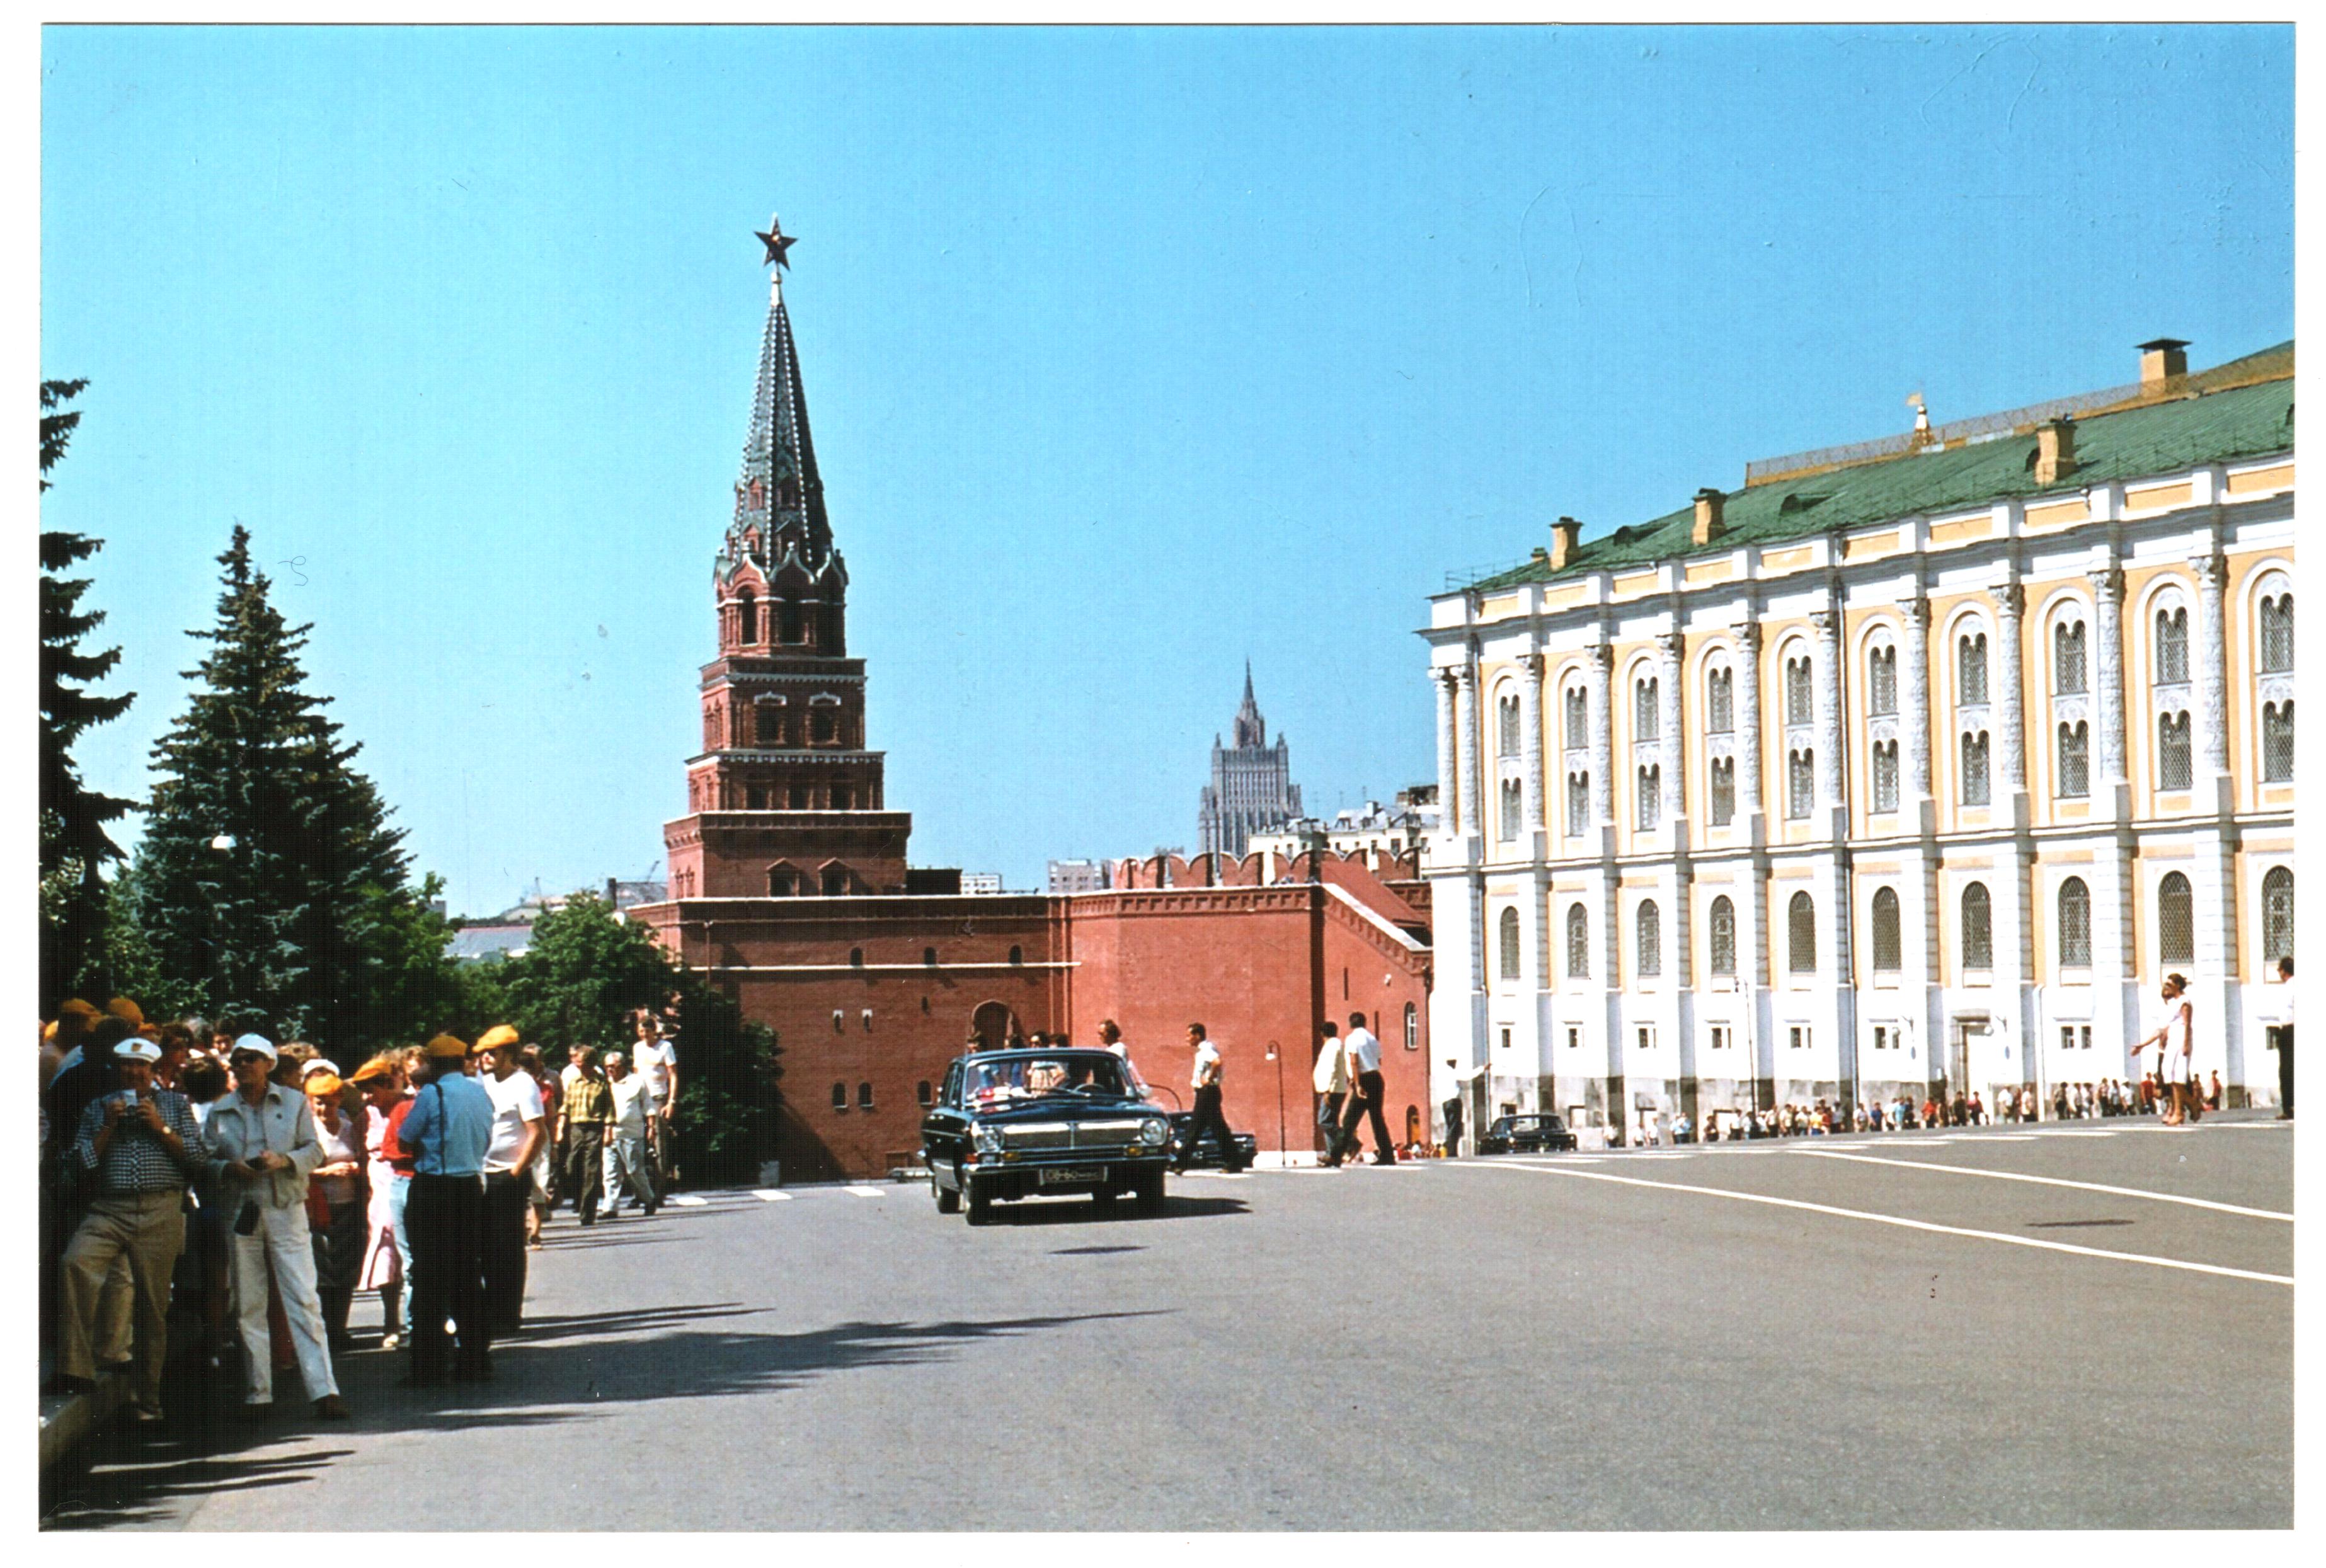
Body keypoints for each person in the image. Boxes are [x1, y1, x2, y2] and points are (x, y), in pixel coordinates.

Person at [50, 1035, 205, 1421]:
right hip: (110, 1207)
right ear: (117, 1069)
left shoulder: (175, 1105)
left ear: (153, 1071)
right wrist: (106, 1129)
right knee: (76, 1263)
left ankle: (148, 1400)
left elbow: (199, 1159)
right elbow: (76, 1167)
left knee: (153, 1307)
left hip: (160, 1209)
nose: (134, 1073)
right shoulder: (99, 1108)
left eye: (142, 1067)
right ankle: (77, 1369)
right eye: (126, 1066)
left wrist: (161, 1129)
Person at [202, 1034, 349, 1421]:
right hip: (242, 1210)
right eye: (238, 1059)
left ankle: (324, 1390)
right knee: (248, 1302)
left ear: (268, 1063)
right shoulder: (221, 1112)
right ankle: (258, 1393)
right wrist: (227, 1169)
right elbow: (205, 1162)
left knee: (303, 1296)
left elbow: (315, 1151)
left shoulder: (295, 1102)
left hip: (285, 1207)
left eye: (253, 1059)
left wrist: (284, 1161)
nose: (244, 1065)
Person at [398, 1034, 495, 1385]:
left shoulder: (432, 1094)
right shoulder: (479, 1092)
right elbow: (487, 1138)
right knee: (468, 1275)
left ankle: (428, 1365)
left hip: (434, 1188)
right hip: (470, 1186)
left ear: (437, 1065)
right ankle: (475, 1359)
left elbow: (405, 1138)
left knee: (429, 1278)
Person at [474, 1025, 545, 1336]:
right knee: (485, 1247)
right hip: (481, 1175)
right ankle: (490, 1310)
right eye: (483, 1053)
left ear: (509, 1054)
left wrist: (516, 1172)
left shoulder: (523, 1084)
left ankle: (508, 1314)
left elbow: (537, 1133)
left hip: (508, 1175)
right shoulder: (483, 1082)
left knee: (508, 1248)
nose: (486, 1058)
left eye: (493, 1052)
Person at [350, 1055, 413, 1350]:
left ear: (388, 1083)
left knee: (412, 1253)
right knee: (386, 1251)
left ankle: (423, 1318)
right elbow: (360, 1157)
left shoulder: (411, 1106)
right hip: (379, 1189)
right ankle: (392, 1322)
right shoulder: (366, 1116)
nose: (366, 1096)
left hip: (409, 1180)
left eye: (370, 1088)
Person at [306, 1071, 368, 1353]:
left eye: (329, 1103)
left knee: (346, 1270)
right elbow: (300, 1169)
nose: (323, 1109)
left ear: (339, 1100)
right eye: (318, 1102)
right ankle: (324, 1331)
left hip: (349, 1206)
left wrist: (356, 1171)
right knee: (322, 1270)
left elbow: (362, 1158)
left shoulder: (348, 1127)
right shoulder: (308, 1131)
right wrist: (326, 1172)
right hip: (320, 1209)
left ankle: (339, 1328)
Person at [1176, 1023, 1246, 1173]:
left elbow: (1217, 1062)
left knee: (1195, 1127)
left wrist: (1209, 1078)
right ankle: (1233, 1162)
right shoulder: (1203, 1050)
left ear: (1198, 1036)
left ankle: (1179, 1163)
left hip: (1207, 1092)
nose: (1187, 1039)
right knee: (1217, 1128)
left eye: (1189, 1035)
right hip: (1208, 1093)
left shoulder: (1207, 1049)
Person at [1331, 1011, 1396, 1166]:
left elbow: (1354, 1061)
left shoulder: (1352, 1038)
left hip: (1363, 1080)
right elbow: (1378, 1059)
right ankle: (1387, 1155)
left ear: (1351, 1024)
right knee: (1377, 1119)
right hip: (1376, 1077)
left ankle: (1335, 1156)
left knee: (1349, 1121)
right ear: (1365, 1023)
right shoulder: (1373, 1039)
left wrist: (1357, 1084)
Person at [603, 1050, 662, 1218]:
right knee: (610, 1172)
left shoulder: (636, 1082)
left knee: (634, 1170)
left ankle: (649, 1199)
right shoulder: (604, 1083)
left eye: (613, 1066)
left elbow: (648, 1105)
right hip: (610, 1133)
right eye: (607, 1067)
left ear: (622, 1066)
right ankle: (610, 1208)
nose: (610, 1070)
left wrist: (651, 1128)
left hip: (632, 1133)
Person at [2136, 975, 2199, 1128]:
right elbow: (2162, 1029)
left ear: (2178, 985)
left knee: (2179, 1077)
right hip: (2172, 1041)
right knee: (2168, 1075)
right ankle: (2192, 1105)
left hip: (2181, 1040)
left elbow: (2187, 1024)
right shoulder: (2173, 1003)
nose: (2167, 986)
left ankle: (2178, 1112)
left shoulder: (2185, 1002)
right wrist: (2143, 1045)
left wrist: (2186, 1044)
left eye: (2171, 984)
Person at [560, 1047, 612, 1225]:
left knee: (591, 1170)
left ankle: (587, 1213)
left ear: (591, 1064)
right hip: (576, 1128)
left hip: (594, 1128)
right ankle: (576, 1198)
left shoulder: (601, 1083)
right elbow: (566, 1107)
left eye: (582, 1064)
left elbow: (609, 1109)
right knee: (571, 1166)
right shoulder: (574, 1082)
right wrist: (560, 1127)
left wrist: (609, 1131)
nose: (579, 1067)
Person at [631, 1014, 679, 1178]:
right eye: (641, 1031)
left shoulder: (665, 1047)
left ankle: (659, 1190)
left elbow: (673, 1075)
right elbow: (636, 1073)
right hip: (641, 1099)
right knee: (639, 1141)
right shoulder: (637, 1048)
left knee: (658, 1143)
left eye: (647, 1031)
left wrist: (671, 1102)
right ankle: (642, 1190)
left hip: (658, 1098)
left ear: (654, 1031)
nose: (644, 1035)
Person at [1312, 1022, 1349, 1164]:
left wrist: (1327, 1090)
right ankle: (1332, 1155)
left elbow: (1331, 1068)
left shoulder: (1333, 1046)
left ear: (1322, 1033)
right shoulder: (1335, 1045)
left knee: (1324, 1121)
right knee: (1331, 1122)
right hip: (1334, 1089)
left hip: (1332, 1090)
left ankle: (1350, 1142)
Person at [2271, 955, 2294, 1118]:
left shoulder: (2291, 986)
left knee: (2286, 1070)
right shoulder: (2289, 986)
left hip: (2290, 1030)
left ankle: (2289, 1106)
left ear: (2284, 971)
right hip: (2287, 1029)